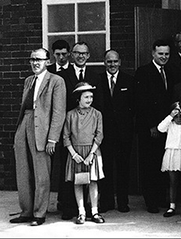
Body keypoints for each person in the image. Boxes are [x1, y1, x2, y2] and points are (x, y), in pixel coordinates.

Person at [9, 48, 66, 226]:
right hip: (24, 125)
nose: (35, 63)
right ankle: (26, 211)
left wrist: (52, 139)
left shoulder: (56, 81)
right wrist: (18, 132)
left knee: (42, 174)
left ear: (47, 62)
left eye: (39, 60)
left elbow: (58, 112)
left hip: (42, 130)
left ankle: (39, 213)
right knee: (23, 172)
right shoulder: (28, 80)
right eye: (33, 59)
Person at [57, 41, 101, 220]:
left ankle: (94, 209)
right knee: (72, 177)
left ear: (88, 55)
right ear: (72, 55)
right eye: (77, 53)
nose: (81, 56)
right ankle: (70, 208)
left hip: (90, 135)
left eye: (84, 53)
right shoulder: (62, 75)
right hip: (71, 132)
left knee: (92, 179)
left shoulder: (95, 75)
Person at [135, 39, 176, 213]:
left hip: (169, 126)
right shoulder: (143, 72)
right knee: (150, 164)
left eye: (166, 54)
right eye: (160, 54)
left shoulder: (172, 71)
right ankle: (151, 200)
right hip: (150, 128)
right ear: (153, 53)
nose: (164, 57)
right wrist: (151, 126)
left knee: (163, 163)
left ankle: (161, 198)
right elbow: (140, 102)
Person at [97, 49, 135, 213]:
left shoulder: (129, 80)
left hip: (123, 133)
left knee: (123, 168)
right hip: (104, 133)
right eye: (109, 61)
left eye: (115, 61)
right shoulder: (98, 80)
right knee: (105, 168)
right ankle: (106, 201)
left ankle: (122, 202)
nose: (112, 64)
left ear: (120, 62)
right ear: (104, 62)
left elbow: (133, 107)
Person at [63, 82, 105, 225]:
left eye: (91, 97)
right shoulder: (70, 115)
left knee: (93, 182)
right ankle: (81, 212)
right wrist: (74, 154)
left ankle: (94, 211)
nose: (89, 100)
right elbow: (66, 137)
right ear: (78, 98)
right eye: (86, 97)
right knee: (78, 182)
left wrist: (91, 154)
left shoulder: (97, 114)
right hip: (76, 153)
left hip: (92, 152)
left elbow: (99, 136)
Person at [158, 101, 181, 218]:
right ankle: (172, 206)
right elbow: (160, 128)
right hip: (172, 153)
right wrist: (170, 116)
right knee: (173, 182)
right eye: (176, 116)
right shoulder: (170, 124)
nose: (178, 119)